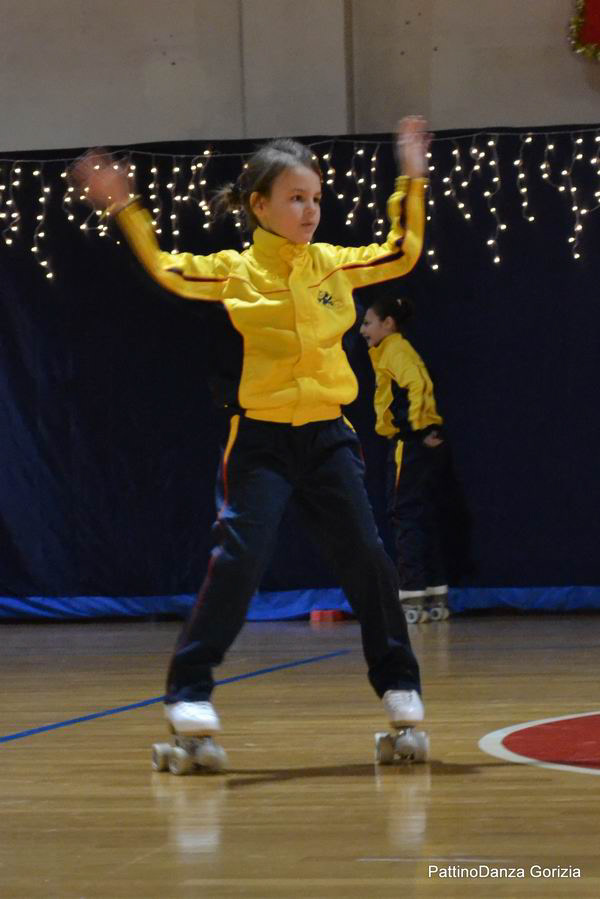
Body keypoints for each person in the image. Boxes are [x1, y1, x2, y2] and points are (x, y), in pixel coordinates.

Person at [70, 116, 431, 755]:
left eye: (315, 198)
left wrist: (412, 177)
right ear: (259, 205)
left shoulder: (333, 266)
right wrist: (125, 207)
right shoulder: (234, 272)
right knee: (238, 562)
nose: (310, 210)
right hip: (261, 442)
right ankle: (189, 692)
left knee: (368, 557)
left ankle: (399, 684)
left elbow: (402, 251)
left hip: (328, 437)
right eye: (295, 198)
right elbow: (166, 268)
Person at [360, 296, 450, 624]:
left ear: (388, 324)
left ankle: (412, 592)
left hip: (407, 447)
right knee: (421, 515)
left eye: (368, 323)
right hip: (414, 444)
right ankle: (433, 590)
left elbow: (419, 384)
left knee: (405, 514)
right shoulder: (391, 350)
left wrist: (419, 428)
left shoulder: (394, 350)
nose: (362, 330)